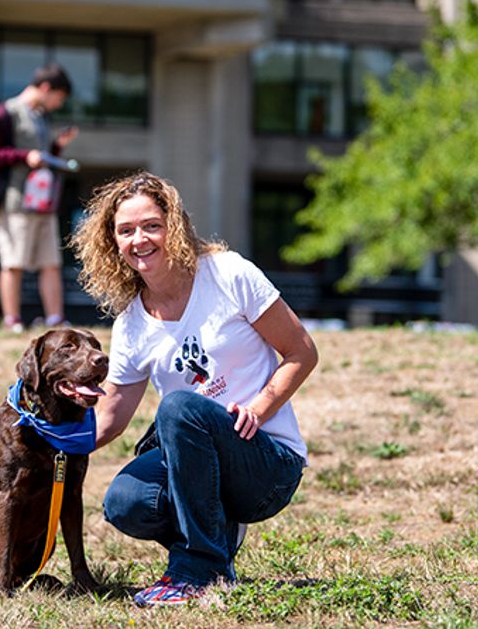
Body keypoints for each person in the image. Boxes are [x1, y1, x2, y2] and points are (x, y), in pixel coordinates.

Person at [69, 172, 317, 607]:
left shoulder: (228, 274)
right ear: (112, 243)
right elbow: (109, 417)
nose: (139, 239)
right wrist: (45, 440)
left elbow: (301, 352)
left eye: (151, 225)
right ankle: (217, 541)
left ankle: (198, 571)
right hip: (196, 463)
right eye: (125, 231)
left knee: (180, 407)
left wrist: (259, 408)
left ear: (174, 226)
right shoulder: (132, 322)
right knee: (125, 501)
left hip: (265, 463)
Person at [0, 63, 79, 333]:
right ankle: (12, 320)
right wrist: (24, 157)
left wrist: (58, 146)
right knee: (14, 262)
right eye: (58, 98)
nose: (58, 104)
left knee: (50, 261)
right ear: (46, 88)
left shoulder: (41, 116)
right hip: (14, 201)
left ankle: (55, 318)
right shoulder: (5, 113)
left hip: (43, 202)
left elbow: (42, 155)